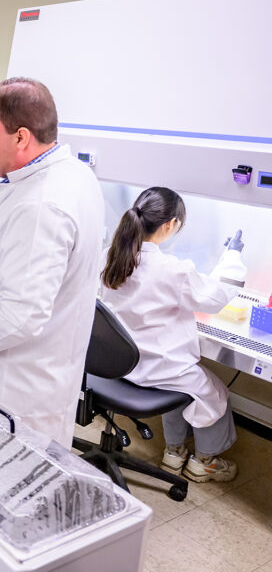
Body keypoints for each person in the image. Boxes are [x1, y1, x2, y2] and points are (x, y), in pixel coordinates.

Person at [0, 77, 104, 446]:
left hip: (13, 387)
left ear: (21, 137)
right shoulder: (74, 174)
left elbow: (21, 314)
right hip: (43, 374)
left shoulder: (41, 204)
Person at [100, 187, 239, 483]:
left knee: (185, 386)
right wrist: (233, 257)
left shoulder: (110, 257)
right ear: (170, 225)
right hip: (159, 370)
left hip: (118, 367)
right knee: (213, 393)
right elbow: (214, 297)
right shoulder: (171, 270)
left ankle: (174, 453)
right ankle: (205, 462)